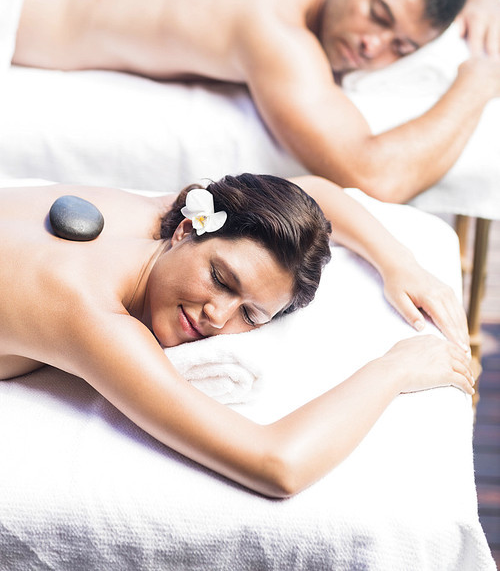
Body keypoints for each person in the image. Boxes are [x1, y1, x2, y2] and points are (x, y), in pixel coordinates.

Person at [0, 174, 473, 497]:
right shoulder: (86, 311)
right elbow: (277, 466)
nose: (217, 316)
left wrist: (399, 263)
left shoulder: (168, 218)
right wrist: (393, 368)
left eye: (250, 313)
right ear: (186, 232)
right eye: (222, 280)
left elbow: (310, 193)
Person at [11, 0, 500, 203]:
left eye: (402, 47)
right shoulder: (274, 29)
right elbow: (374, 177)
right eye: (378, 16)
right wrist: (478, 83)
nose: (375, 47)